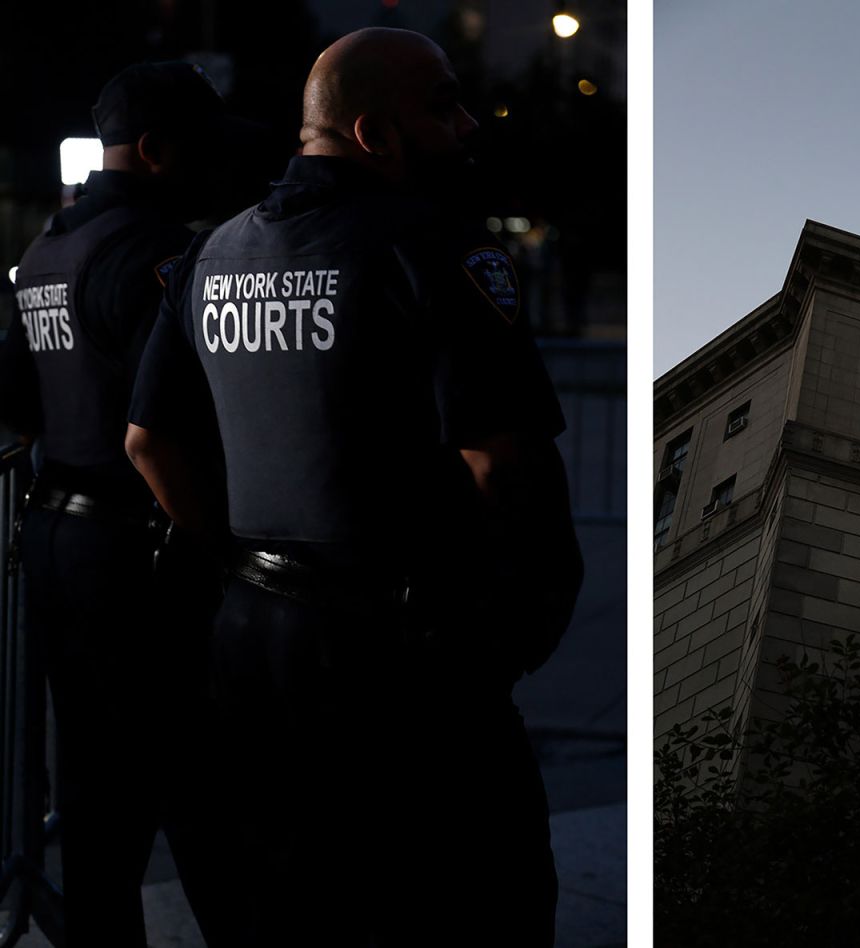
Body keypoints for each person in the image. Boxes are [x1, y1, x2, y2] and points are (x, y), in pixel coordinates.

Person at [125, 28, 583, 946]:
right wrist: (514, 623)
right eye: (443, 106)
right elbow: (500, 462)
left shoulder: (214, 255)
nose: (464, 126)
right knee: (484, 898)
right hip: (402, 657)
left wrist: (235, 560)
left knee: (295, 903)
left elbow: (146, 442)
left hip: (251, 646)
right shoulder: (428, 247)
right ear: (374, 132)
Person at [0, 62, 237, 946]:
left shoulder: (43, 253)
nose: (217, 165)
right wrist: (214, 542)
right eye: (204, 147)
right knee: (205, 797)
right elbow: (175, 423)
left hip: (60, 544)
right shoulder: (155, 254)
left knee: (96, 816)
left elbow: (18, 403)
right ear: (156, 150)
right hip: (144, 555)